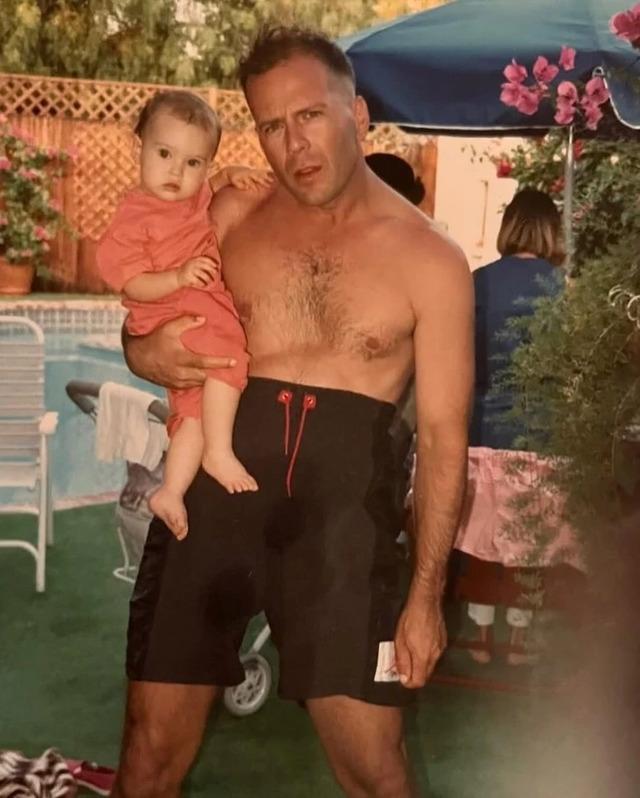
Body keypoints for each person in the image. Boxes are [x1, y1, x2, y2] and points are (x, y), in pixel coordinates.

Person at [111, 27, 473, 798]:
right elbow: (143, 322)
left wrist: (426, 599)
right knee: (146, 752)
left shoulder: (432, 260)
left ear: (359, 115)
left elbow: (444, 439)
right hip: (210, 506)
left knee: (376, 772)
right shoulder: (233, 214)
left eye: (309, 116)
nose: (292, 144)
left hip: (343, 529)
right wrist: (148, 356)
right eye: (271, 125)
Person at [97, 91, 272, 540]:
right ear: (138, 148)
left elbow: (214, 182)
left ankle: (170, 490)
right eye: (164, 154)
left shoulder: (191, 198)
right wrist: (177, 277)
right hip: (170, 306)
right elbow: (132, 282)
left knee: (192, 410)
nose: (177, 171)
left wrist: (236, 173)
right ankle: (219, 451)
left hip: (188, 300)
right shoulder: (134, 216)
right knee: (231, 356)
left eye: (194, 162)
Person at [458, 188, 565, 665]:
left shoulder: (477, 283)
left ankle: (479, 637)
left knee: (481, 538)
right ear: (550, 231)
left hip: (482, 429)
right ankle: (520, 640)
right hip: (542, 433)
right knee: (530, 541)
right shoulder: (563, 288)